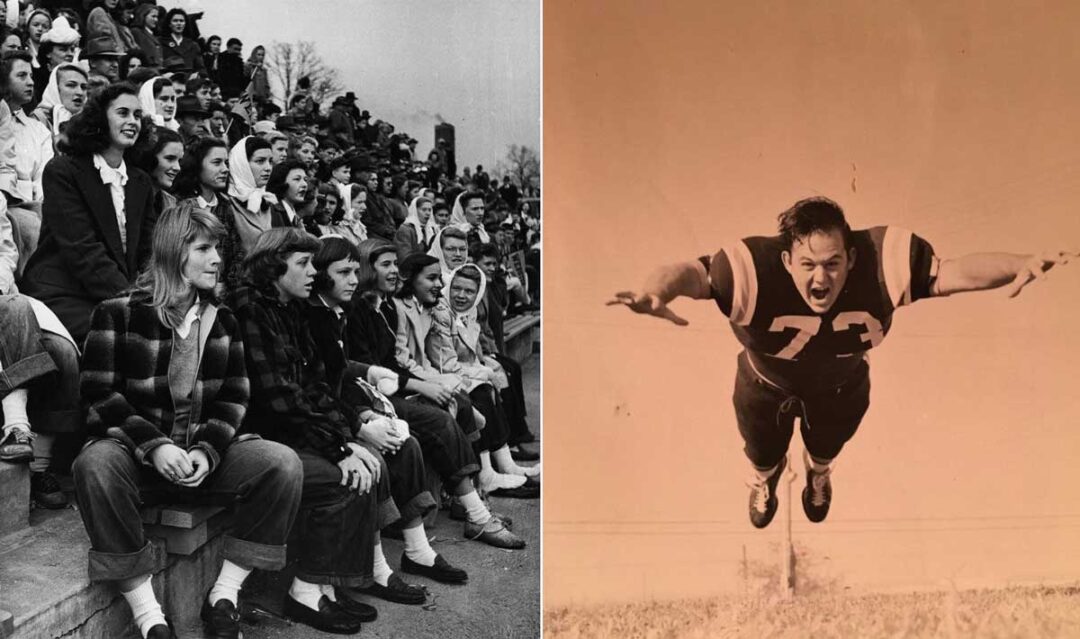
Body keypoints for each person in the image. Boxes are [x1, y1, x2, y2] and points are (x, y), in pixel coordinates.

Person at [608, 196, 1078, 529]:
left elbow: (953, 272)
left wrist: (1019, 262)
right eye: (808, 265)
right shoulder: (749, 270)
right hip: (765, 381)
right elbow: (692, 273)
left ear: (852, 258)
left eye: (833, 263)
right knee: (762, 452)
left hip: (840, 383)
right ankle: (765, 478)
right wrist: (655, 290)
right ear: (786, 261)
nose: (821, 278)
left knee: (828, 444)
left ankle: (819, 471)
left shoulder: (881, 263)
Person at [73, 202, 304, 639]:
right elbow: (99, 394)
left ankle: (224, 595)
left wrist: (206, 450)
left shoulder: (223, 319)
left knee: (282, 464)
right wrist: (155, 446)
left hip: (200, 458)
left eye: (217, 248)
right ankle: (149, 617)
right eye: (203, 249)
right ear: (173, 253)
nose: (217, 259)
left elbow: (234, 397)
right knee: (94, 464)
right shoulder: (117, 312)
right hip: (137, 458)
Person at [228, 228, 396, 634]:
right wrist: (339, 449)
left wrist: (346, 439)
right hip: (259, 438)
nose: (313, 273)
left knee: (365, 463)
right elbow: (277, 398)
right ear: (274, 265)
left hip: (291, 429)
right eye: (303, 264)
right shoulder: (250, 307)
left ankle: (325, 587)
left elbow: (316, 387)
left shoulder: (292, 307)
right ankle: (305, 590)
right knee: (343, 477)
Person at [349, 240, 527, 547]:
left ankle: (466, 502)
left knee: (460, 403)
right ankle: (477, 516)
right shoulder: (360, 310)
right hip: (369, 398)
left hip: (389, 389)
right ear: (367, 268)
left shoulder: (384, 306)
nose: (395, 272)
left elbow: (393, 362)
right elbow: (372, 368)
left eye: (396, 264)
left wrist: (432, 384)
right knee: (440, 419)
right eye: (386, 265)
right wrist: (422, 386)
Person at [21, 82, 157, 345]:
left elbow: (148, 251)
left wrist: (149, 294)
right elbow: (82, 249)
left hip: (122, 293)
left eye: (137, 115)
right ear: (100, 119)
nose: (133, 121)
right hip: (64, 292)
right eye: (123, 113)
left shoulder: (140, 181)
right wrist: (130, 299)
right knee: (127, 336)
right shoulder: (63, 171)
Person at [395, 253, 537, 502]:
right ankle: (487, 473)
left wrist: (484, 368)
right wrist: (479, 373)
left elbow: (475, 350)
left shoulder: (466, 314)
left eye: (469, 291)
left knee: (494, 380)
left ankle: (503, 464)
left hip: (437, 372)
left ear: (478, 293)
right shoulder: (438, 311)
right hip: (429, 376)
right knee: (479, 391)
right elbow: (439, 361)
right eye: (456, 288)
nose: (461, 295)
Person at [130, 125, 181, 217]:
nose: (177, 168)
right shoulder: (127, 197)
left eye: (179, 161)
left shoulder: (171, 203)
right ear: (149, 157)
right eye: (170, 158)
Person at [265, 159, 308, 229]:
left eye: (305, 180)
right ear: (281, 182)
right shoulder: (272, 213)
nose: (304, 184)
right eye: (297, 179)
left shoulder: (296, 219)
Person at [159, 8, 203, 73]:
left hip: (189, 77)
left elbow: (201, 68)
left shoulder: (193, 45)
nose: (179, 23)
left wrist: (198, 74)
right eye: (175, 21)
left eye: (181, 21)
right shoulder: (161, 42)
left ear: (185, 24)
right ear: (169, 24)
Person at [394, 195, 436, 261]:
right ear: (415, 211)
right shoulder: (405, 229)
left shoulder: (431, 230)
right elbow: (404, 256)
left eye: (429, 210)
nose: (428, 213)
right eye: (424, 210)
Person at [129, 3, 161, 71]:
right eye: (153, 16)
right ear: (143, 16)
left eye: (157, 17)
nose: (156, 20)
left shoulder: (152, 34)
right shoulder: (136, 32)